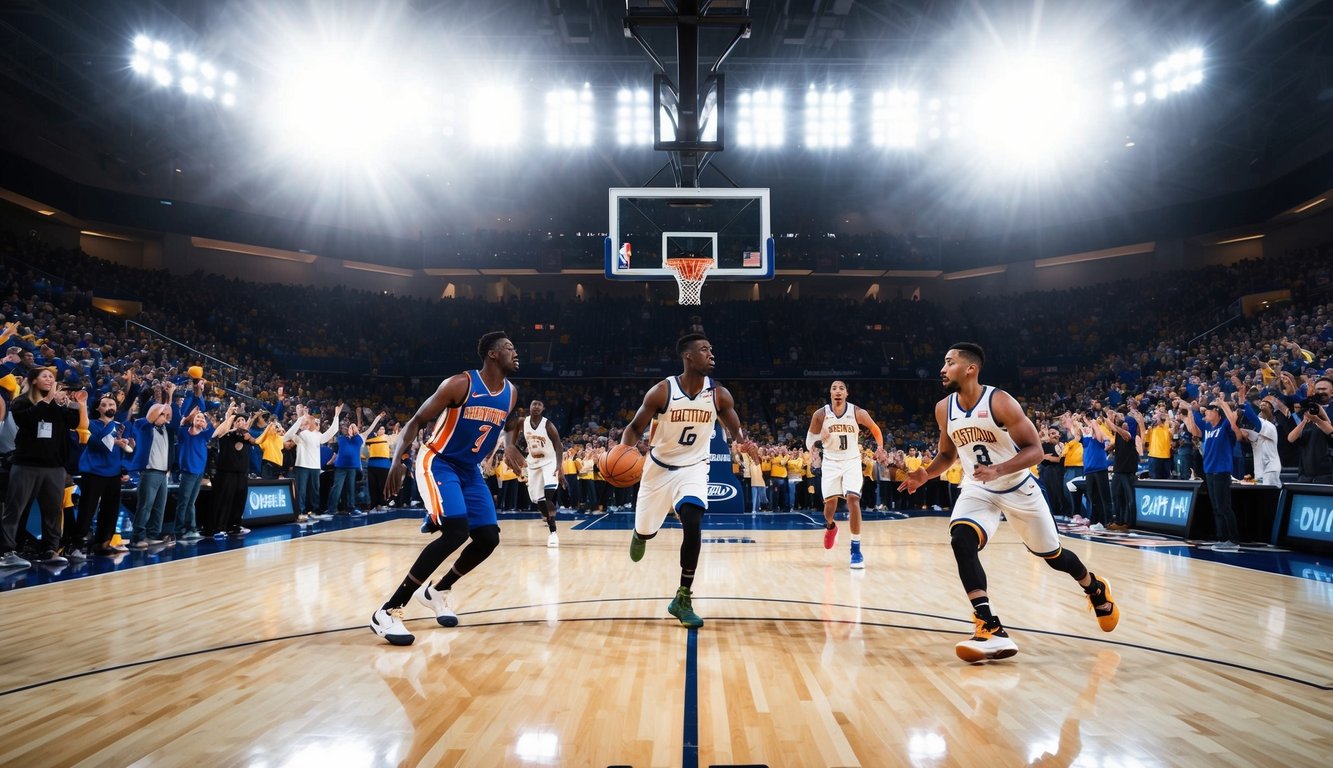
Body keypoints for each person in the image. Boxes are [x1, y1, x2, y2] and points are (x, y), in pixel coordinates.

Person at [899, 343, 1119, 662]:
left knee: (1053, 556)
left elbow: (1034, 449)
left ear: (970, 369)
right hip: (978, 488)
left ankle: (1094, 587)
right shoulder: (943, 408)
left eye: (949, 363)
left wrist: (1000, 469)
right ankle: (989, 626)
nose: (942, 369)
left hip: (1017, 486)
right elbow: (947, 454)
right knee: (961, 539)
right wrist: (926, 474)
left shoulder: (999, 401)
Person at [370, 332, 525, 646]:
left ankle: (438, 590)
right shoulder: (460, 384)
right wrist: (397, 459)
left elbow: (510, 424)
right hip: (438, 461)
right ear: (492, 355)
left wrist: (509, 446)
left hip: (468, 470)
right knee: (456, 531)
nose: (515, 352)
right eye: (509, 348)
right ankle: (388, 610)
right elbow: (416, 420)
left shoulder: (511, 393)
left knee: (488, 538)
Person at [621, 333, 745, 628]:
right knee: (647, 531)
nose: (711, 353)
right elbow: (635, 427)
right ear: (688, 356)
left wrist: (744, 442)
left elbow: (737, 430)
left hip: (694, 467)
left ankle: (683, 596)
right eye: (704, 349)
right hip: (658, 468)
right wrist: (622, 451)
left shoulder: (719, 395)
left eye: (711, 348)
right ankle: (642, 533)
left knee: (692, 520)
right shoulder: (662, 391)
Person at [1, 369, 86, 567]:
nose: (49, 379)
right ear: (34, 381)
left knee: (53, 511)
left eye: (51, 377)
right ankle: (6, 552)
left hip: (54, 467)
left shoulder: (57, 404)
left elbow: (73, 422)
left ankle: (50, 549)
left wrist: (77, 404)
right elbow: (27, 420)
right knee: (15, 509)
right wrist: (49, 399)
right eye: (45, 376)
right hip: (26, 465)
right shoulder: (21, 401)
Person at [805, 380, 889, 568]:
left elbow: (875, 429)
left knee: (853, 499)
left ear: (846, 393)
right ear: (830, 393)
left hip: (851, 461)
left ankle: (856, 549)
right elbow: (808, 441)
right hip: (831, 463)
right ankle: (830, 526)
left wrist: (881, 447)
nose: (838, 391)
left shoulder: (857, 412)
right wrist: (819, 438)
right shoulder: (820, 415)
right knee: (830, 508)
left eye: (841, 388)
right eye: (834, 388)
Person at [1182, 397, 1242, 552]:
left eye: (1208, 411)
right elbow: (1193, 430)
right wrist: (1189, 412)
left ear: (1216, 413)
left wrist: (1223, 404)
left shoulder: (1224, 426)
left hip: (1221, 470)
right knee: (1216, 507)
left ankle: (1233, 539)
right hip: (1209, 471)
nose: (1205, 414)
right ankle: (1221, 538)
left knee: (1224, 507)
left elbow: (1233, 419)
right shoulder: (1208, 428)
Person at [522, 400, 566, 547]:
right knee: (538, 501)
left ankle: (553, 533)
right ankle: (549, 517)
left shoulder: (548, 425)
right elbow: (510, 434)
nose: (536, 406)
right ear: (530, 406)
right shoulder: (524, 422)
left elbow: (559, 446)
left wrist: (559, 467)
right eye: (534, 404)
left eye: (540, 405)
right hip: (533, 463)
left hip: (549, 461)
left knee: (548, 496)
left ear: (543, 408)